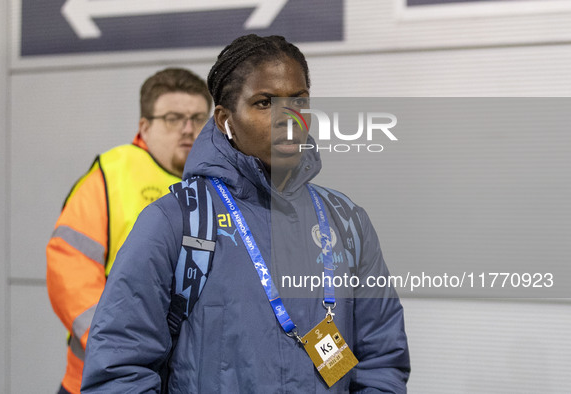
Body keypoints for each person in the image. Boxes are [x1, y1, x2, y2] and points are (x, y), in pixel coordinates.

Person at [82, 35, 410, 393]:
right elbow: (120, 370)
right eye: (264, 102)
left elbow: (381, 361)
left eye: (299, 100)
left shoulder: (346, 221)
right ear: (226, 120)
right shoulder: (176, 221)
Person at [46, 68, 212, 394]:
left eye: (197, 117)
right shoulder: (112, 176)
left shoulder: (220, 187)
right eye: (173, 118)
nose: (188, 129)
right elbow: (69, 267)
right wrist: (116, 348)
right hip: (103, 380)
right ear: (144, 126)